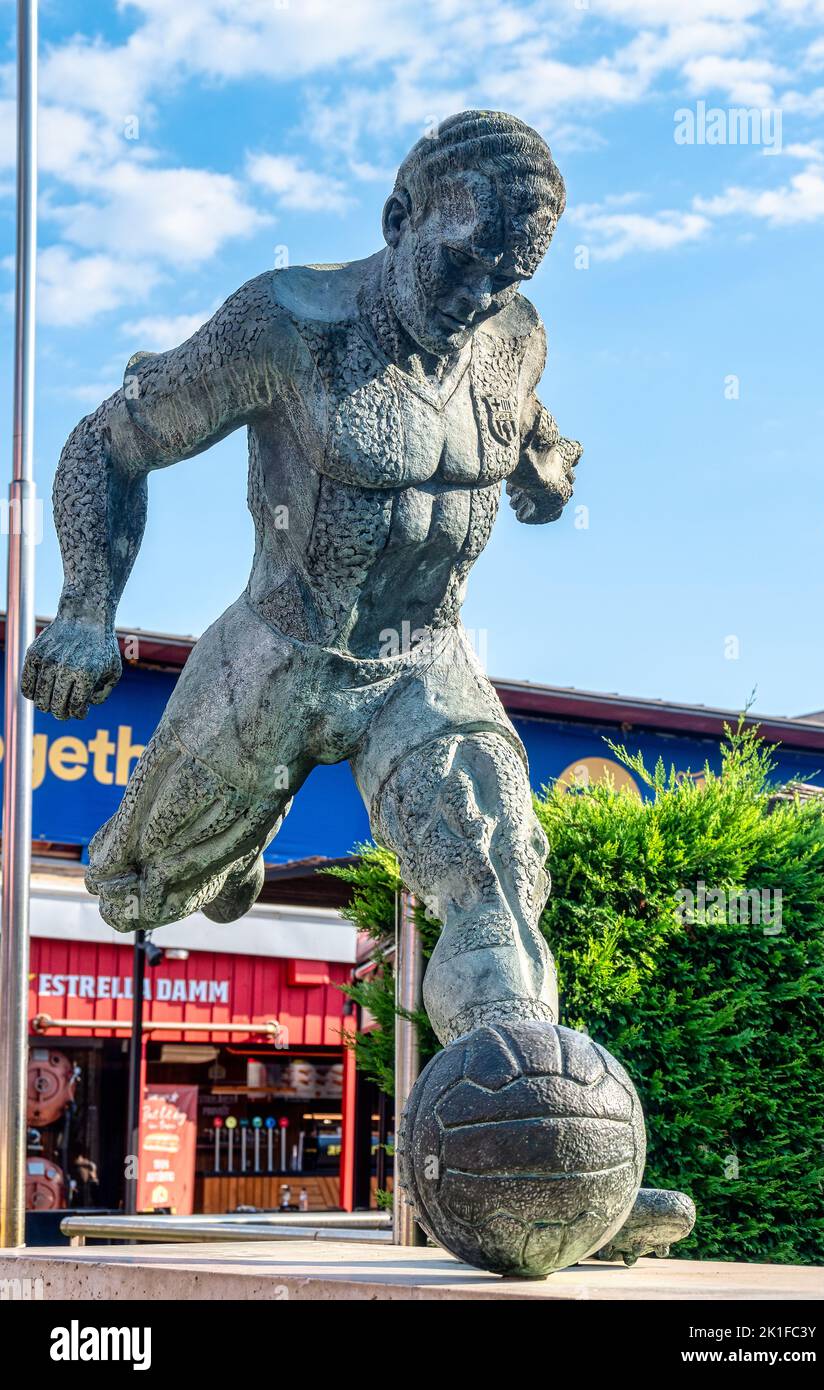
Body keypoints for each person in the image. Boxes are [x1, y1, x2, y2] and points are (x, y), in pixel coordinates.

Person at [22, 110, 579, 1048]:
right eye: (460, 261)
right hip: (280, 652)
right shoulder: (284, 322)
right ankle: (229, 852)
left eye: (505, 274)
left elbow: (524, 425)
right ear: (400, 218)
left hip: (422, 665)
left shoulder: (513, 337)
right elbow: (104, 446)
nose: (476, 295)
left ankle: (519, 1101)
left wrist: (543, 468)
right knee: (133, 889)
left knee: (495, 869)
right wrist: (85, 611)